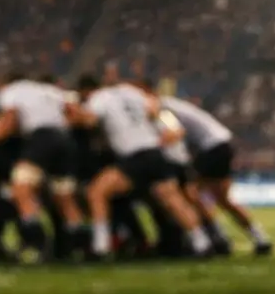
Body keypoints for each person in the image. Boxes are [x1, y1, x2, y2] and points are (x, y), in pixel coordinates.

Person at [69, 75, 212, 259]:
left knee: (97, 192)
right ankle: (202, 242)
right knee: (174, 200)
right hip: (155, 153)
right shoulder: (133, 92)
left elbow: (89, 120)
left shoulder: (101, 97)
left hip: (134, 156)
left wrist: (73, 111)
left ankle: (100, 247)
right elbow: (155, 112)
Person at [0, 73, 86, 261]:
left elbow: (9, 121)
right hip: (65, 140)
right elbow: (81, 115)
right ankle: (79, 249)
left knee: (21, 188)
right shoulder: (50, 90)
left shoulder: (12, 91)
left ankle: (35, 245)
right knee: (65, 198)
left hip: (41, 139)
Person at [160, 92, 273, 255]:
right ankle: (260, 238)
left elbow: (176, 132)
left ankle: (217, 236)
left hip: (211, 148)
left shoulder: (164, 108)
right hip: (223, 143)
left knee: (190, 193)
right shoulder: (174, 104)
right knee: (223, 199)